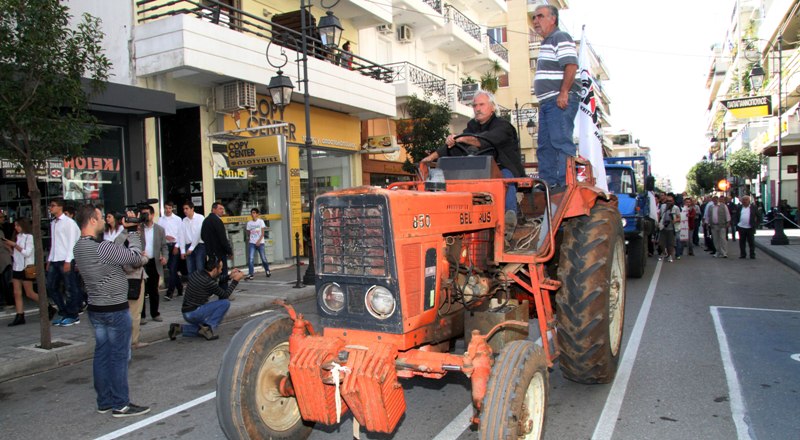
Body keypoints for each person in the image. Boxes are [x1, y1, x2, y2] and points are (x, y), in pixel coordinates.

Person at [72, 204, 150, 417]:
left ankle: (104, 401)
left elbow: (114, 252)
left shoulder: (80, 247)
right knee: (118, 356)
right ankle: (120, 404)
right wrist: (133, 232)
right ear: (92, 221)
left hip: (96, 309)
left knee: (102, 355)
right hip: (114, 309)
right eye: (100, 217)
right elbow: (134, 257)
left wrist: (125, 230)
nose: (105, 221)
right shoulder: (101, 248)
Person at [421, 91, 524, 238]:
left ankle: (509, 217)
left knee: (505, 179)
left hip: (501, 168)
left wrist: (462, 139)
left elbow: (485, 140)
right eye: (475, 105)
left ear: (492, 107)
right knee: (451, 178)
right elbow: (456, 146)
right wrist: (429, 158)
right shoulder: (472, 127)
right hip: (478, 170)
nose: (477, 108)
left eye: (482, 104)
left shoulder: (503, 126)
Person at [532, 4, 580, 187]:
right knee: (545, 146)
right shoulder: (547, 42)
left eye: (540, 16)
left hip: (557, 100)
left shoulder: (560, 37)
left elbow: (571, 65)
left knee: (560, 143)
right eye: (534, 17)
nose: (536, 21)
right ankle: (548, 185)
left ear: (553, 19)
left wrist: (564, 92)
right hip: (547, 102)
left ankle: (564, 184)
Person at [168, 255, 245, 341]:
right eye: (220, 269)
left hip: (186, 312)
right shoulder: (208, 282)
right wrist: (235, 281)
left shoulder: (199, 273)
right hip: (195, 313)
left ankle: (178, 329)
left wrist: (229, 276)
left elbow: (217, 279)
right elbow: (225, 295)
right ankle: (209, 329)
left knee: (201, 329)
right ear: (215, 269)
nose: (221, 271)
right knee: (225, 303)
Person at [46, 198, 82, 326]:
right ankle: (63, 311)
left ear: (60, 207)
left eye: (53, 205)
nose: (51, 208)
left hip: (65, 258)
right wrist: (49, 258)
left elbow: (72, 241)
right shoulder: (53, 223)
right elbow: (54, 242)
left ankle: (73, 315)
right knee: (50, 286)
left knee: (69, 287)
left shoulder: (69, 223)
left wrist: (68, 260)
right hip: (55, 258)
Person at [4, 219, 41, 326]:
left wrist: (14, 245)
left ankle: (46, 306)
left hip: (26, 267)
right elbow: (16, 255)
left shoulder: (29, 237)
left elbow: (27, 253)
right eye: (15, 225)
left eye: (18, 225)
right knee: (16, 293)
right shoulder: (18, 237)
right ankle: (20, 315)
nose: (16, 227)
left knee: (29, 293)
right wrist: (10, 248)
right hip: (17, 267)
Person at [140, 206, 168, 322]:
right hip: (141, 262)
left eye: (146, 214)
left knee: (153, 290)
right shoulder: (138, 228)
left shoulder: (159, 229)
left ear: (152, 215)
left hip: (154, 261)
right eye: (142, 214)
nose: (144, 217)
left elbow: (164, 246)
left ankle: (155, 313)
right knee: (141, 290)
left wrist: (165, 257)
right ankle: (141, 315)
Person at [201, 202, 232, 289]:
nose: (222, 211)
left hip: (210, 252)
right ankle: (224, 293)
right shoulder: (217, 221)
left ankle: (213, 290)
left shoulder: (206, 220)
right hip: (219, 252)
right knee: (222, 272)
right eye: (220, 209)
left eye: (223, 209)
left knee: (213, 273)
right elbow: (223, 239)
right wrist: (229, 251)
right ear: (213, 209)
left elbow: (203, 236)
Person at [158, 201, 185, 300]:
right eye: (166, 208)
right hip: (165, 246)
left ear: (172, 208)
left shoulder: (178, 219)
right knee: (171, 269)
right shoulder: (160, 220)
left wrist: (177, 246)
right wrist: (165, 236)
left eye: (169, 208)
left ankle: (170, 292)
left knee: (173, 268)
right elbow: (159, 234)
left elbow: (181, 234)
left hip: (175, 245)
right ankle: (180, 287)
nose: (167, 210)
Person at [246, 208, 271, 280]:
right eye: (251, 213)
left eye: (254, 212)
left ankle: (267, 270)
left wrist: (259, 241)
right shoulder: (249, 223)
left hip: (260, 243)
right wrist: (250, 239)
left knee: (263, 258)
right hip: (252, 243)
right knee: (251, 258)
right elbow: (248, 232)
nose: (252, 214)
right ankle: (251, 274)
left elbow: (263, 233)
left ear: (257, 214)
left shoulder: (261, 222)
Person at [182, 201, 205, 275]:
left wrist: (191, 248)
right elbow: (182, 235)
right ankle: (192, 286)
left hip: (199, 245)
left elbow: (198, 233)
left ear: (192, 209)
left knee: (200, 267)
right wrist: (182, 250)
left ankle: (201, 286)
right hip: (188, 245)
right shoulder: (184, 220)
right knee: (190, 268)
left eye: (187, 208)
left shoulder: (200, 217)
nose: (185, 211)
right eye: (184, 209)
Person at [658, 195, 679, 262]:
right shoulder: (663, 207)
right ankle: (664, 252)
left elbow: (679, 217)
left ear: (673, 201)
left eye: (670, 201)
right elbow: (660, 215)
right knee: (661, 243)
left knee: (670, 243)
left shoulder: (676, 208)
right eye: (667, 201)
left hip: (671, 228)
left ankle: (670, 255)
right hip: (663, 227)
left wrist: (674, 220)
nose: (669, 203)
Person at [0, 212, 13, 310]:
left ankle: (7, 301)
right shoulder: (1, 230)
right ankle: (8, 301)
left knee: (5, 281)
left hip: (4, 258)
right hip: (4, 258)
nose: (3, 219)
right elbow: (4, 243)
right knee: (6, 281)